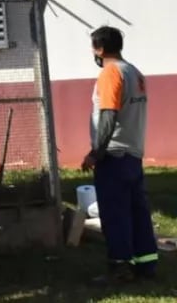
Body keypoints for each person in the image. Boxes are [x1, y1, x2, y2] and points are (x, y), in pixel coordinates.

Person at [82, 26, 157, 285]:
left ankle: (120, 267)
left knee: (115, 214)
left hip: (114, 154)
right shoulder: (134, 72)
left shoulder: (110, 73)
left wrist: (96, 152)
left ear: (100, 49)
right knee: (137, 212)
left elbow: (108, 114)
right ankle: (147, 263)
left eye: (94, 48)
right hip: (134, 153)